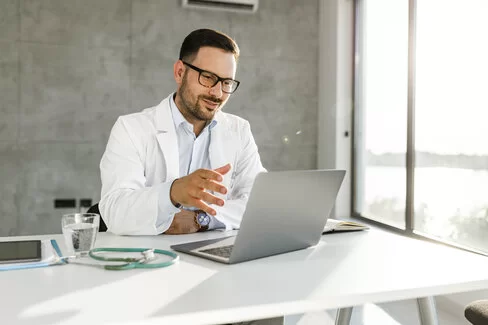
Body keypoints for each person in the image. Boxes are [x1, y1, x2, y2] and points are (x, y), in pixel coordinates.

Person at [99, 28, 266, 236]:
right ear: (180, 72)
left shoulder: (239, 131)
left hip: (213, 255)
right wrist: (173, 193)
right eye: (207, 77)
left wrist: (202, 220)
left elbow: (260, 204)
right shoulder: (131, 129)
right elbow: (115, 211)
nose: (217, 93)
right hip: (150, 258)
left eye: (226, 83)